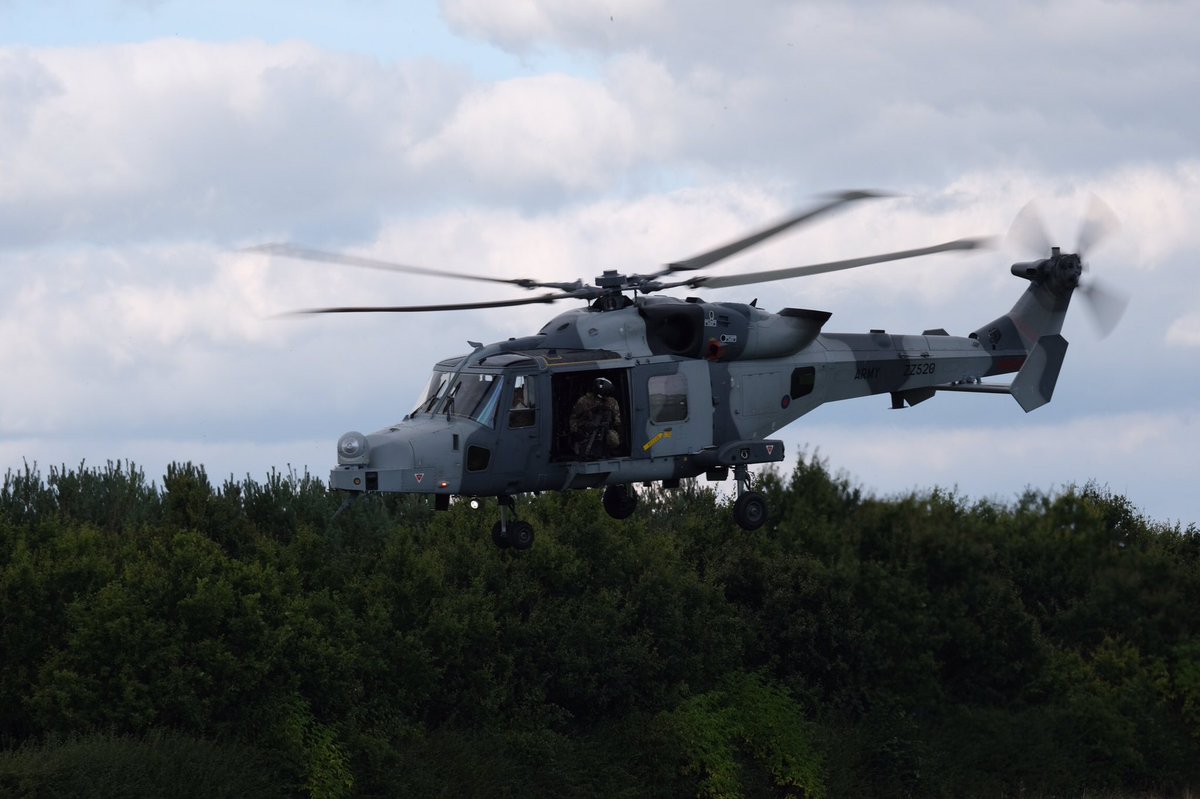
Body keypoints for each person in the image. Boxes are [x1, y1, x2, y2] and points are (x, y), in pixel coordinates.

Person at [569, 377, 621, 458]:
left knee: (613, 440)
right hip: (587, 430)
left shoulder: (612, 402)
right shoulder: (584, 401)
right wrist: (575, 432)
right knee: (584, 448)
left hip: (605, 430)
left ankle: (607, 451)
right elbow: (574, 418)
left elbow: (617, 421)